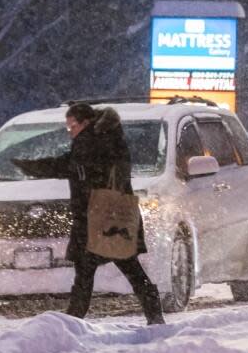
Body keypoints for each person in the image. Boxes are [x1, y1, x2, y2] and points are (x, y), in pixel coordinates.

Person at [13, 102, 165, 324]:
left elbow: (68, 166)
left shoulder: (90, 143)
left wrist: (32, 167)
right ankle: (153, 315)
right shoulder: (109, 139)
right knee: (125, 269)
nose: (70, 132)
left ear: (85, 123)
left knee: (88, 274)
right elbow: (73, 166)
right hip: (111, 217)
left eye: (71, 126)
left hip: (96, 219)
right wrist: (34, 167)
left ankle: (72, 322)